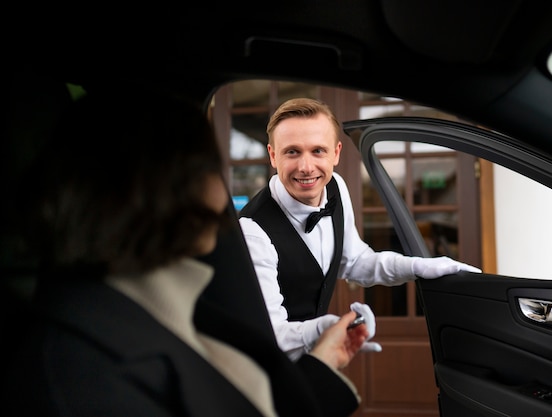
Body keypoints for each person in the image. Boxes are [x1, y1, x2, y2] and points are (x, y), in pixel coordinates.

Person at [1, 87, 368, 417]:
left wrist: (322, 361)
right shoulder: (87, 375)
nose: (223, 189)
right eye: (213, 166)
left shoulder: (165, 308)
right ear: (174, 190)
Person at [239, 97, 482, 360]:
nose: (306, 167)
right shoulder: (252, 231)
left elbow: (354, 261)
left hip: (315, 359)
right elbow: (272, 334)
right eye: (292, 152)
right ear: (273, 156)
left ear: (336, 153)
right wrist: (327, 327)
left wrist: (417, 267)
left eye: (318, 150)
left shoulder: (336, 188)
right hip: (262, 368)